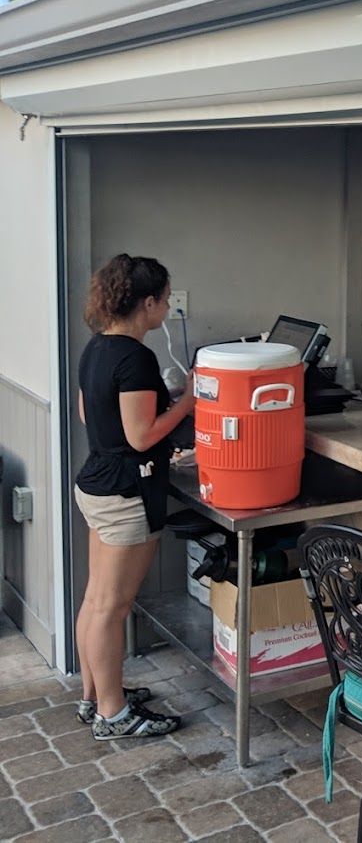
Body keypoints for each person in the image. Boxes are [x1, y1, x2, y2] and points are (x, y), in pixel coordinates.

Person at [75, 254, 195, 739]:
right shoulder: (137, 358)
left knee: (95, 599)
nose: (166, 309)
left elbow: (90, 415)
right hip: (126, 494)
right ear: (147, 302)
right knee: (112, 606)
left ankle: (95, 696)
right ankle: (113, 714)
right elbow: (143, 436)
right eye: (164, 301)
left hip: (96, 483)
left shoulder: (96, 348)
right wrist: (189, 401)